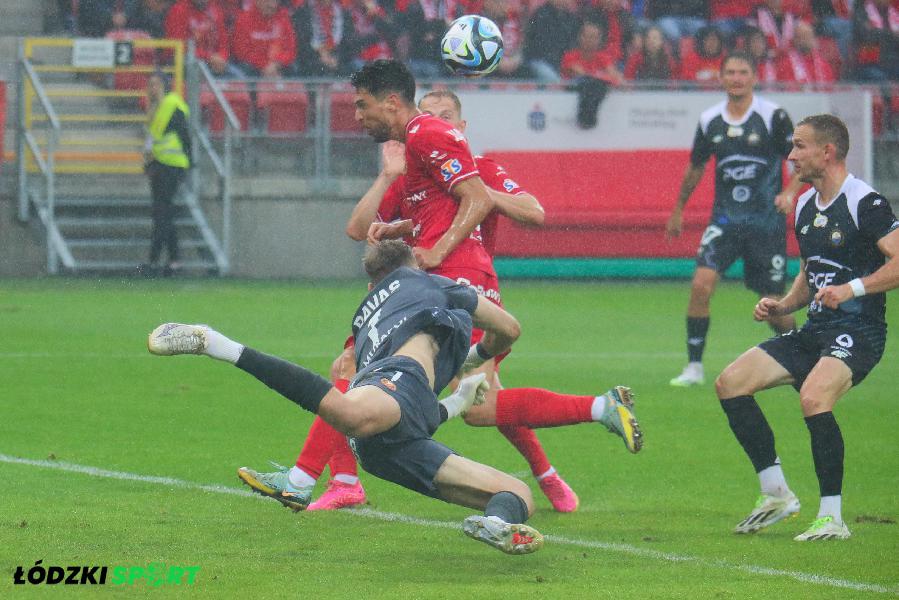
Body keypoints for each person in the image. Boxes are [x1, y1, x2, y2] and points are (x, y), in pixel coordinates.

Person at [238, 73, 642, 513]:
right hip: (441, 278)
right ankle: (570, 445)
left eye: (445, 117)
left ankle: (314, 479)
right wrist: (400, 217)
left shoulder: (469, 162)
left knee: (365, 369)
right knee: (471, 400)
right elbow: (365, 227)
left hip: (456, 277)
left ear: (460, 127)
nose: (436, 123)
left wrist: (455, 221)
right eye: (430, 115)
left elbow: (525, 210)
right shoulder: (416, 165)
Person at [148, 240, 547, 555]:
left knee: (517, 495)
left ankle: (495, 525)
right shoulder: (432, 284)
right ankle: (213, 342)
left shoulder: (365, 315)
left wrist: (458, 400)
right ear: (414, 265)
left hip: (387, 438)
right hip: (395, 387)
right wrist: (476, 357)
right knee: (352, 415)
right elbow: (509, 329)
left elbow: (411, 413)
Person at [716, 114, 899, 541]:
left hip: (860, 329)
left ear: (827, 152)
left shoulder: (864, 202)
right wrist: (782, 304)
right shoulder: (804, 204)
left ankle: (832, 517)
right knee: (730, 383)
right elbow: (810, 272)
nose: (791, 155)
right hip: (816, 329)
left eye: (799, 146)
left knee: (814, 398)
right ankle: (776, 494)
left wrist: (852, 289)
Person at [666, 51, 804, 387]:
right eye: (730, 72)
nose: (736, 78)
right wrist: (679, 208)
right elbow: (696, 166)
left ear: (754, 77)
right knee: (700, 286)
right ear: (721, 78)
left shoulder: (773, 116)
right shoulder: (710, 120)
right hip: (725, 221)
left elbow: (800, 159)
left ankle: (802, 357)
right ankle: (694, 367)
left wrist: (790, 192)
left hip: (765, 224)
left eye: (743, 72)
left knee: (773, 308)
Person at [141, 71, 191, 277]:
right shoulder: (156, 108)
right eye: (150, 85)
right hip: (159, 164)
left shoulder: (171, 105)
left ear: (164, 85)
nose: (152, 89)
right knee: (164, 213)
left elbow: (185, 136)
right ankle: (174, 261)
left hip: (170, 165)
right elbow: (152, 139)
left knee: (161, 214)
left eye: (156, 84)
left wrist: (188, 163)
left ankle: (153, 261)